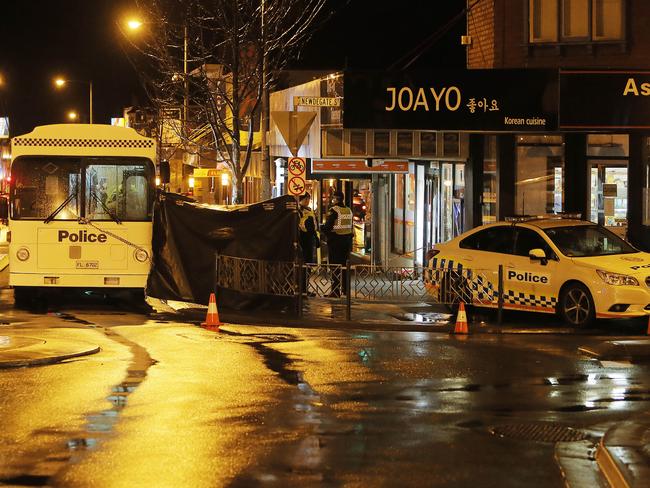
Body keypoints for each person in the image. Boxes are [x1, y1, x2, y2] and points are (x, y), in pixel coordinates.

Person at [321, 191, 353, 297]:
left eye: (333, 198)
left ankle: (335, 291)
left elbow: (328, 227)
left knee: (335, 266)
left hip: (336, 242)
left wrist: (321, 228)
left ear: (335, 199)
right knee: (344, 266)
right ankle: (345, 290)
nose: (332, 200)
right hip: (347, 242)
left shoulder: (334, 210)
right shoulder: (348, 210)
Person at [298, 193, 319, 295]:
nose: (307, 201)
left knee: (308, 266)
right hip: (302, 240)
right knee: (303, 265)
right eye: (305, 199)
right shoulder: (298, 211)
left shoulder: (309, 210)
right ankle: (301, 289)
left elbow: (314, 225)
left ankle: (305, 288)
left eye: (308, 199)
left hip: (310, 240)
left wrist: (316, 238)